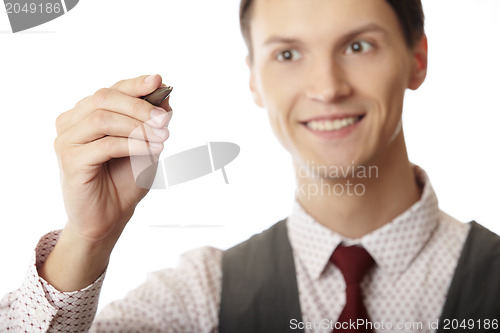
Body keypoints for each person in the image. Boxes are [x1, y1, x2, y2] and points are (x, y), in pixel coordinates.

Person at [1, 0, 499, 332]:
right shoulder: (200, 297)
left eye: (358, 46)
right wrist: (87, 240)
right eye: (287, 53)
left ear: (417, 58)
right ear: (255, 81)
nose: (327, 87)